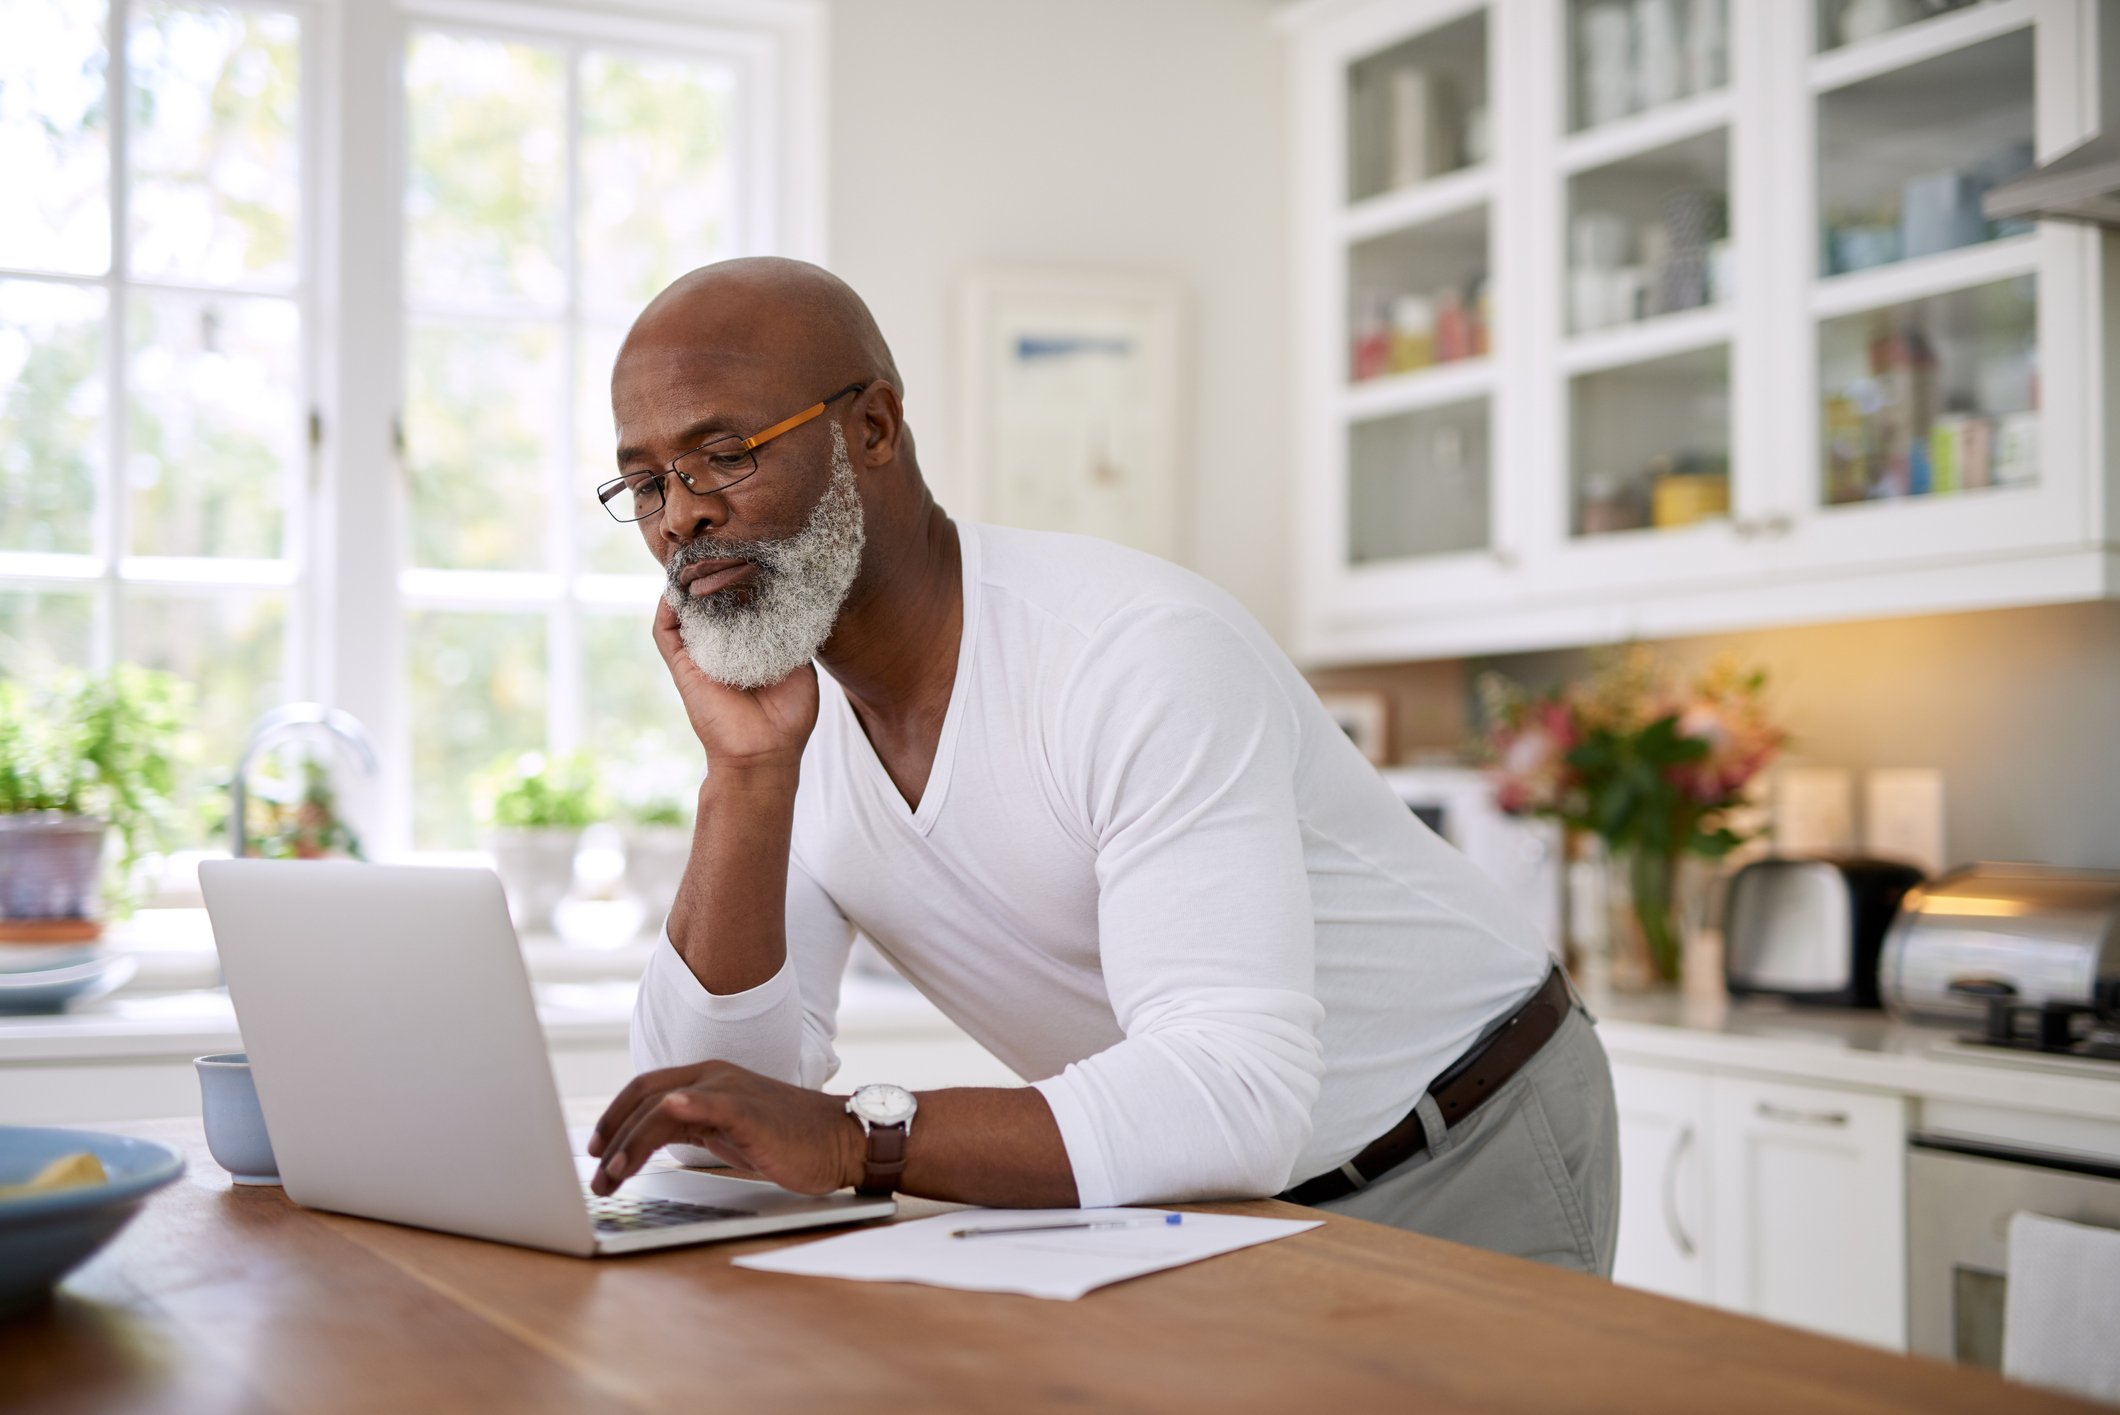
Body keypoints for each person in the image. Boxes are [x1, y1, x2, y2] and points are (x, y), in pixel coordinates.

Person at [585, 257, 1620, 1275]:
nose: (679, 515)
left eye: (723, 453)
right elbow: (706, 1119)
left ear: (873, 429)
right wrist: (746, 775)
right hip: (1204, 1192)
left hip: (1461, 1129)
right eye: (644, 481)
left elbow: (1233, 1089)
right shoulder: (789, 725)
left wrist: (859, 1141)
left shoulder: (1128, 652)